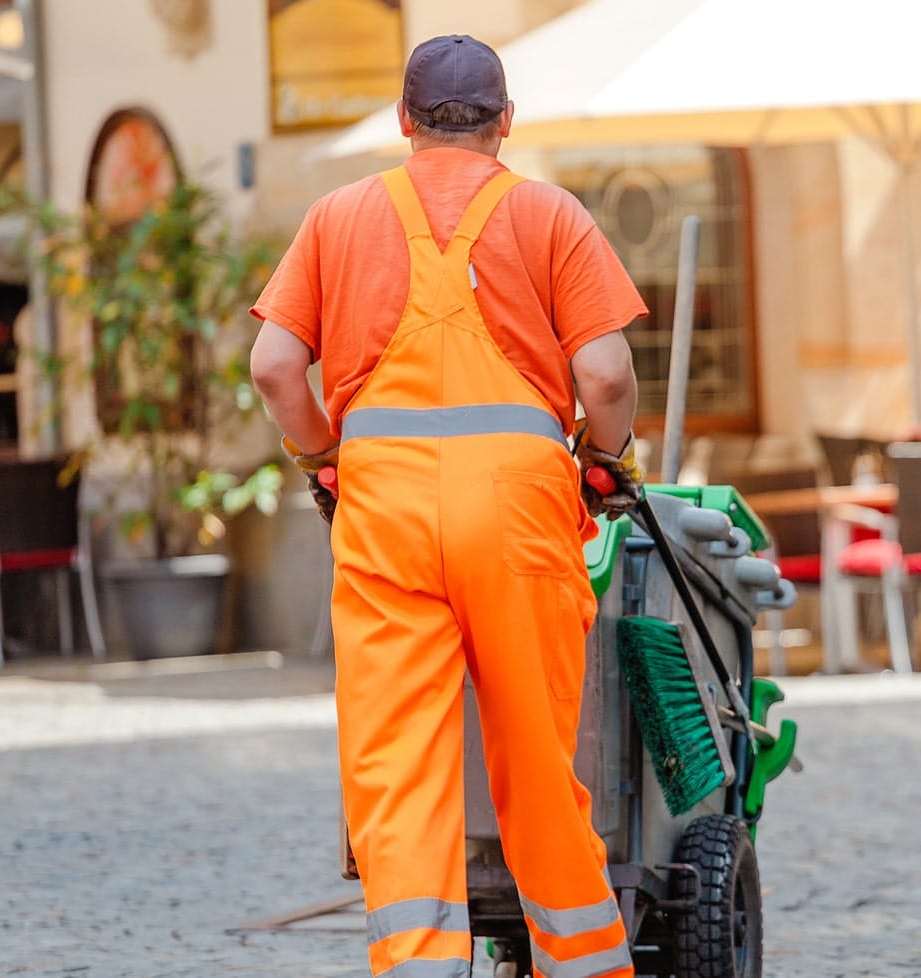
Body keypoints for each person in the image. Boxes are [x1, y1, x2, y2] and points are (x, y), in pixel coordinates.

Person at [249, 34, 648, 978]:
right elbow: (607, 373)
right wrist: (604, 458)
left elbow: (273, 367)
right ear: (505, 123)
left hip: (381, 508)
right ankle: (584, 964)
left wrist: (322, 458)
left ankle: (423, 965)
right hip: (517, 511)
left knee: (399, 766)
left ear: (405, 123)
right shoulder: (550, 215)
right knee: (539, 763)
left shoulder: (337, 216)